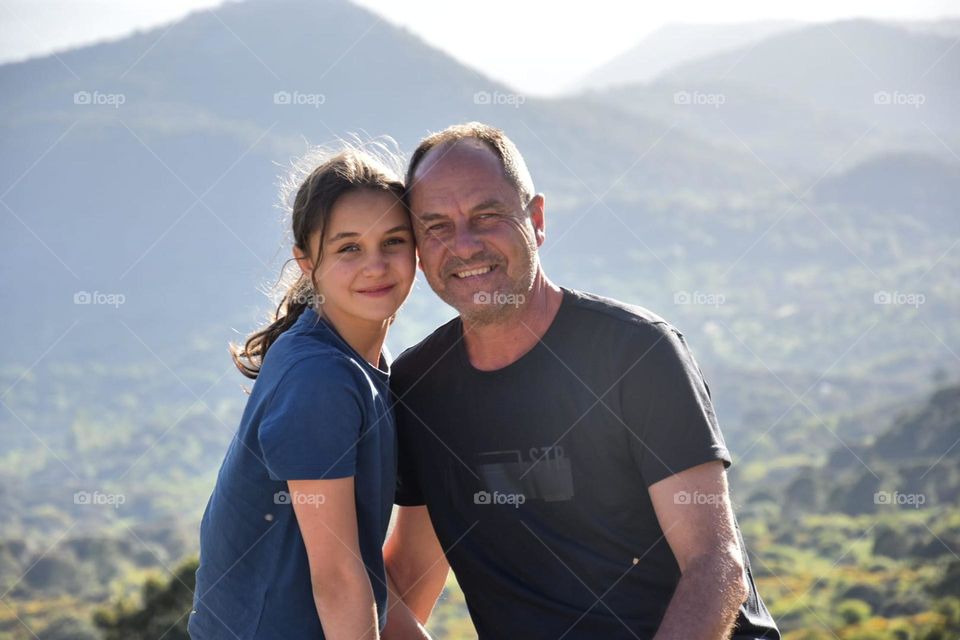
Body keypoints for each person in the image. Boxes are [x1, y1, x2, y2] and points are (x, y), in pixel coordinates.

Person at [385, 123, 781, 639]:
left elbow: (715, 566)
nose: (464, 245)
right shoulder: (419, 386)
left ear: (537, 218)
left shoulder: (635, 353)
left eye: (487, 216)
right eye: (435, 226)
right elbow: (407, 577)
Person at [189, 142, 429, 639]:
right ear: (305, 260)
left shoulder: (359, 364)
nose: (376, 265)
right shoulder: (319, 378)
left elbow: (365, 572)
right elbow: (339, 580)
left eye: (394, 241)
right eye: (348, 248)